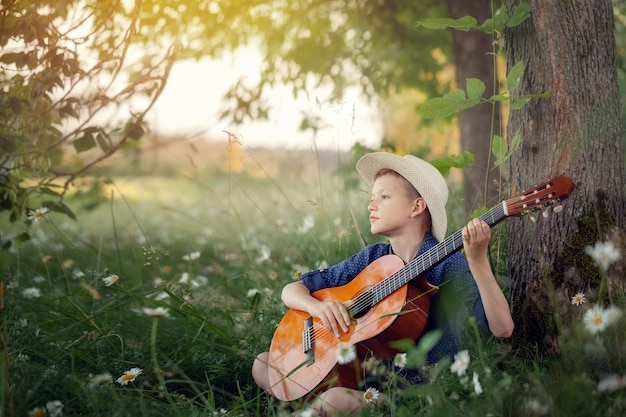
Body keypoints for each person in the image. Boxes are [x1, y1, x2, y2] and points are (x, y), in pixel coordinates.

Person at [252, 152, 514, 416]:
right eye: (372, 198)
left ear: (416, 207)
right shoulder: (373, 258)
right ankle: (309, 405)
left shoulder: (450, 265)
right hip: (357, 377)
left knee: (335, 400)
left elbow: (502, 328)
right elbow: (292, 289)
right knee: (263, 364)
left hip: (409, 391)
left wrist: (478, 260)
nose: (371, 206)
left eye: (384, 197)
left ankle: (305, 408)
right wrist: (318, 308)